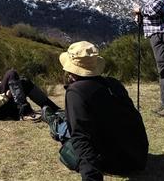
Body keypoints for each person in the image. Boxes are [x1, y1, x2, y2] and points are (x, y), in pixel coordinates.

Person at [43, 41, 148, 180]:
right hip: (137, 157)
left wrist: (91, 176)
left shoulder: (76, 91)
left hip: (112, 162)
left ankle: (55, 123)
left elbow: (80, 137)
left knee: (67, 130)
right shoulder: (113, 83)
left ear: (70, 70)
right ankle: (59, 119)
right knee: (73, 121)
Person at [0, 55, 59, 121]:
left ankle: (54, 109)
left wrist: (14, 86)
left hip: (1, 99)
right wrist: (5, 96)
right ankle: (24, 111)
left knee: (24, 82)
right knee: (11, 73)